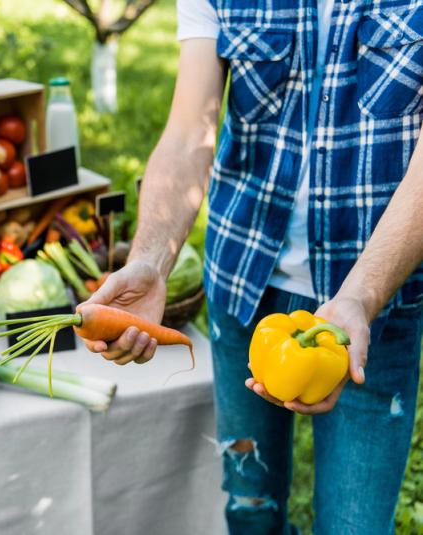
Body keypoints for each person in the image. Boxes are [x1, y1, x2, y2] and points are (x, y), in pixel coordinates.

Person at [79, 1, 423, 533]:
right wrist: (150, 259)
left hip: (377, 302)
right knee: (250, 506)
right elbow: (187, 133)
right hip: (245, 284)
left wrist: (360, 296)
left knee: (355, 527)